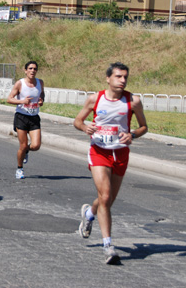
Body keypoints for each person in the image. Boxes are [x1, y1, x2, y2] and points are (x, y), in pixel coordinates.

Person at [73, 62, 148, 265]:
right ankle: (108, 246)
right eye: (118, 77)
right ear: (108, 78)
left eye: (125, 77)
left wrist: (132, 134)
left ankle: (89, 214)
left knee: (108, 200)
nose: (122, 80)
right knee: (105, 196)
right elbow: (77, 121)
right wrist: (85, 128)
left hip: (120, 154)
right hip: (99, 152)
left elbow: (144, 127)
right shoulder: (95, 99)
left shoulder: (133, 101)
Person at [7, 61, 45, 179]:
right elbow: (9, 99)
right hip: (21, 117)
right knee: (22, 146)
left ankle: (26, 152)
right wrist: (22, 101)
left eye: (35, 69)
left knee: (36, 145)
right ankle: (20, 168)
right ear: (25, 70)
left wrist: (41, 100)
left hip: (34, 117)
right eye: (30, 68)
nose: (32, 71)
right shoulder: (20, 83)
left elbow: (42, 94)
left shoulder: (40, 82)